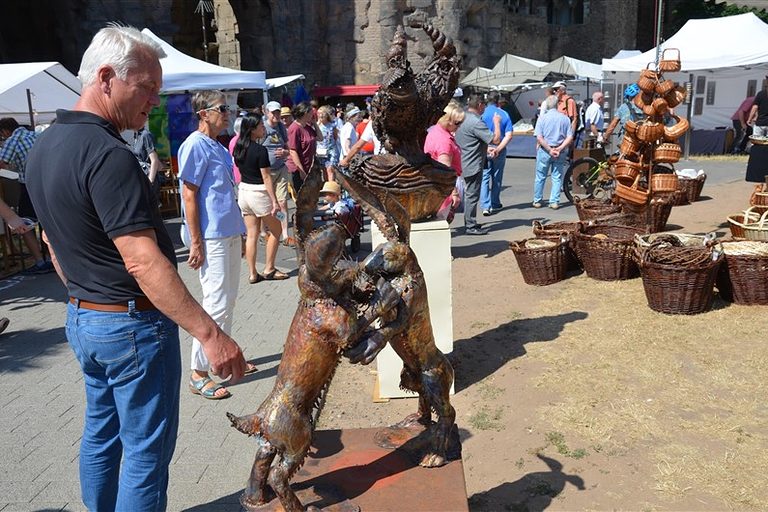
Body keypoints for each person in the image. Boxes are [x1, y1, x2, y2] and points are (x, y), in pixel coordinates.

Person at [24, 25, 247, 511]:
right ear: (106, 78)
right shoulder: (109, 155)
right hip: (130, 325)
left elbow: (51, 240)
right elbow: (142, 261)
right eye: (147, 88)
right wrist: (210, 335)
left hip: (85, 317)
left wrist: (86, 294)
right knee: (145, 452)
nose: (155, 100)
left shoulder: (42, 147)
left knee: (102, 435)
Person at [178, 90, 255, 401]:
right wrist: (195, 241)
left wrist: (239, 232)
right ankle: (198, 372)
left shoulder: (218, 146)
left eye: (229, 107)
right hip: (210, 236)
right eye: (222, 108)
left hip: (226, 232)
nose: (228, 113)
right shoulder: (195, 145)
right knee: (216, 302)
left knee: (227, 300)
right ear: (203, 114)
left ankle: (223, 357)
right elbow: (189, 195)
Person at [233, 113, 288, 284]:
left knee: (252, 234)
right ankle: (269, 268)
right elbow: (266, 177)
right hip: (259, 193)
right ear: (252, 129)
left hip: (243, 191)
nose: (263, 128)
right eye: (260, 126)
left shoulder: (238, 148)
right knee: (277, 230)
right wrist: (274, 201)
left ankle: (252, 273)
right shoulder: (260, 150)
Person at [0, 117, 52, 274]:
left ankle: (40, 262)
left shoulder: (13, 140)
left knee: (25, 224)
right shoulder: (36, 135)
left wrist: (12, 166)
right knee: (49, 221)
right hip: (50, 182)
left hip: (30, 185)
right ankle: (55, 258)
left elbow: (2, 162)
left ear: (5, 131)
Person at [455, 95, 500, 235]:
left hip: (463, 160)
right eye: (484, 106)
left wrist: (485, 148)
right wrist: (496, 122)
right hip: (472, 163)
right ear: (480, 105)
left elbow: (471, 140)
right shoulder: (475, 122)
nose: (485, 109)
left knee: (469, 194)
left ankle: (470, 222)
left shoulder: (463, 118)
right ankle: (470, 225)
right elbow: (496, 139)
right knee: (472, 195)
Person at [424, 100, 465, 222]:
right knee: (441, 224)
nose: (459, 126)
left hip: (434, 186)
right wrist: (454, 193)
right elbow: (445, 170)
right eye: (457, 123)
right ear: (448, 120)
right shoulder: (444, 140)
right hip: (442, 190)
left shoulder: (434, 132)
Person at [533, 95, 574, 210]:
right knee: (557, 176)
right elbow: (569, 137)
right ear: (557, 104)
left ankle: (537, 200)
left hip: (545, 150)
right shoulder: (565, 118)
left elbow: (539, 137)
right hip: (559, 150)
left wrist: (550, 149)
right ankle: (554, 201)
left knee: (540, 176)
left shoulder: (542, 118)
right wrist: (560, 148)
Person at [263, 101, 292, 245]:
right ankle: (264, 231)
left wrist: (286, 152)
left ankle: (285, 233)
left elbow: (288, 148)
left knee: (282, 202)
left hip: (280, 169)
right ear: (266, 113)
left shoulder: (281, 127)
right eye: (273, 112)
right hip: (266, 172)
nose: (276, 115)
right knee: (267, 203)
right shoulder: (262, 128)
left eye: (277, 112)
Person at [480, 91, 513, 217]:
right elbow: (509, 135)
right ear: (499, 101)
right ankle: (494, 202)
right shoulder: (504, 114)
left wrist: (487, 147)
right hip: (499, 149)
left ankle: (485, 205)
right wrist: (498, 149)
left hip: (485, 148)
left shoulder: (482, 114)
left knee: (484, 177)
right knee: (496, 177)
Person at [286, 101, 317, 192]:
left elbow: (320, 137)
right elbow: (293, 151)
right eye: (311, 113)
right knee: (301, 195)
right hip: (298, 168)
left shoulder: (307, 126)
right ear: (305, 113)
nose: (313, 114)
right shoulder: (294, 128)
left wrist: (314, 123)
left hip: (309, 166)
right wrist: (301, 171)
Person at [131, 124, 162, 198]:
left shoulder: (145, 135)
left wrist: (150, 181)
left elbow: (154, 160)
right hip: (142, 177)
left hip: (148, 177)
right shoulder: (136, 135)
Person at [316, 105, 339, 181]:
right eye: (319, 114)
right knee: (323, 170)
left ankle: (331, 186)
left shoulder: (332, 125)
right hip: (321, 151)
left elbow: (335, 137)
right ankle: (326, 186)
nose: (321, 115)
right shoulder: (317, 126)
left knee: (330, 169)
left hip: (331, 150)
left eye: (323, 114)